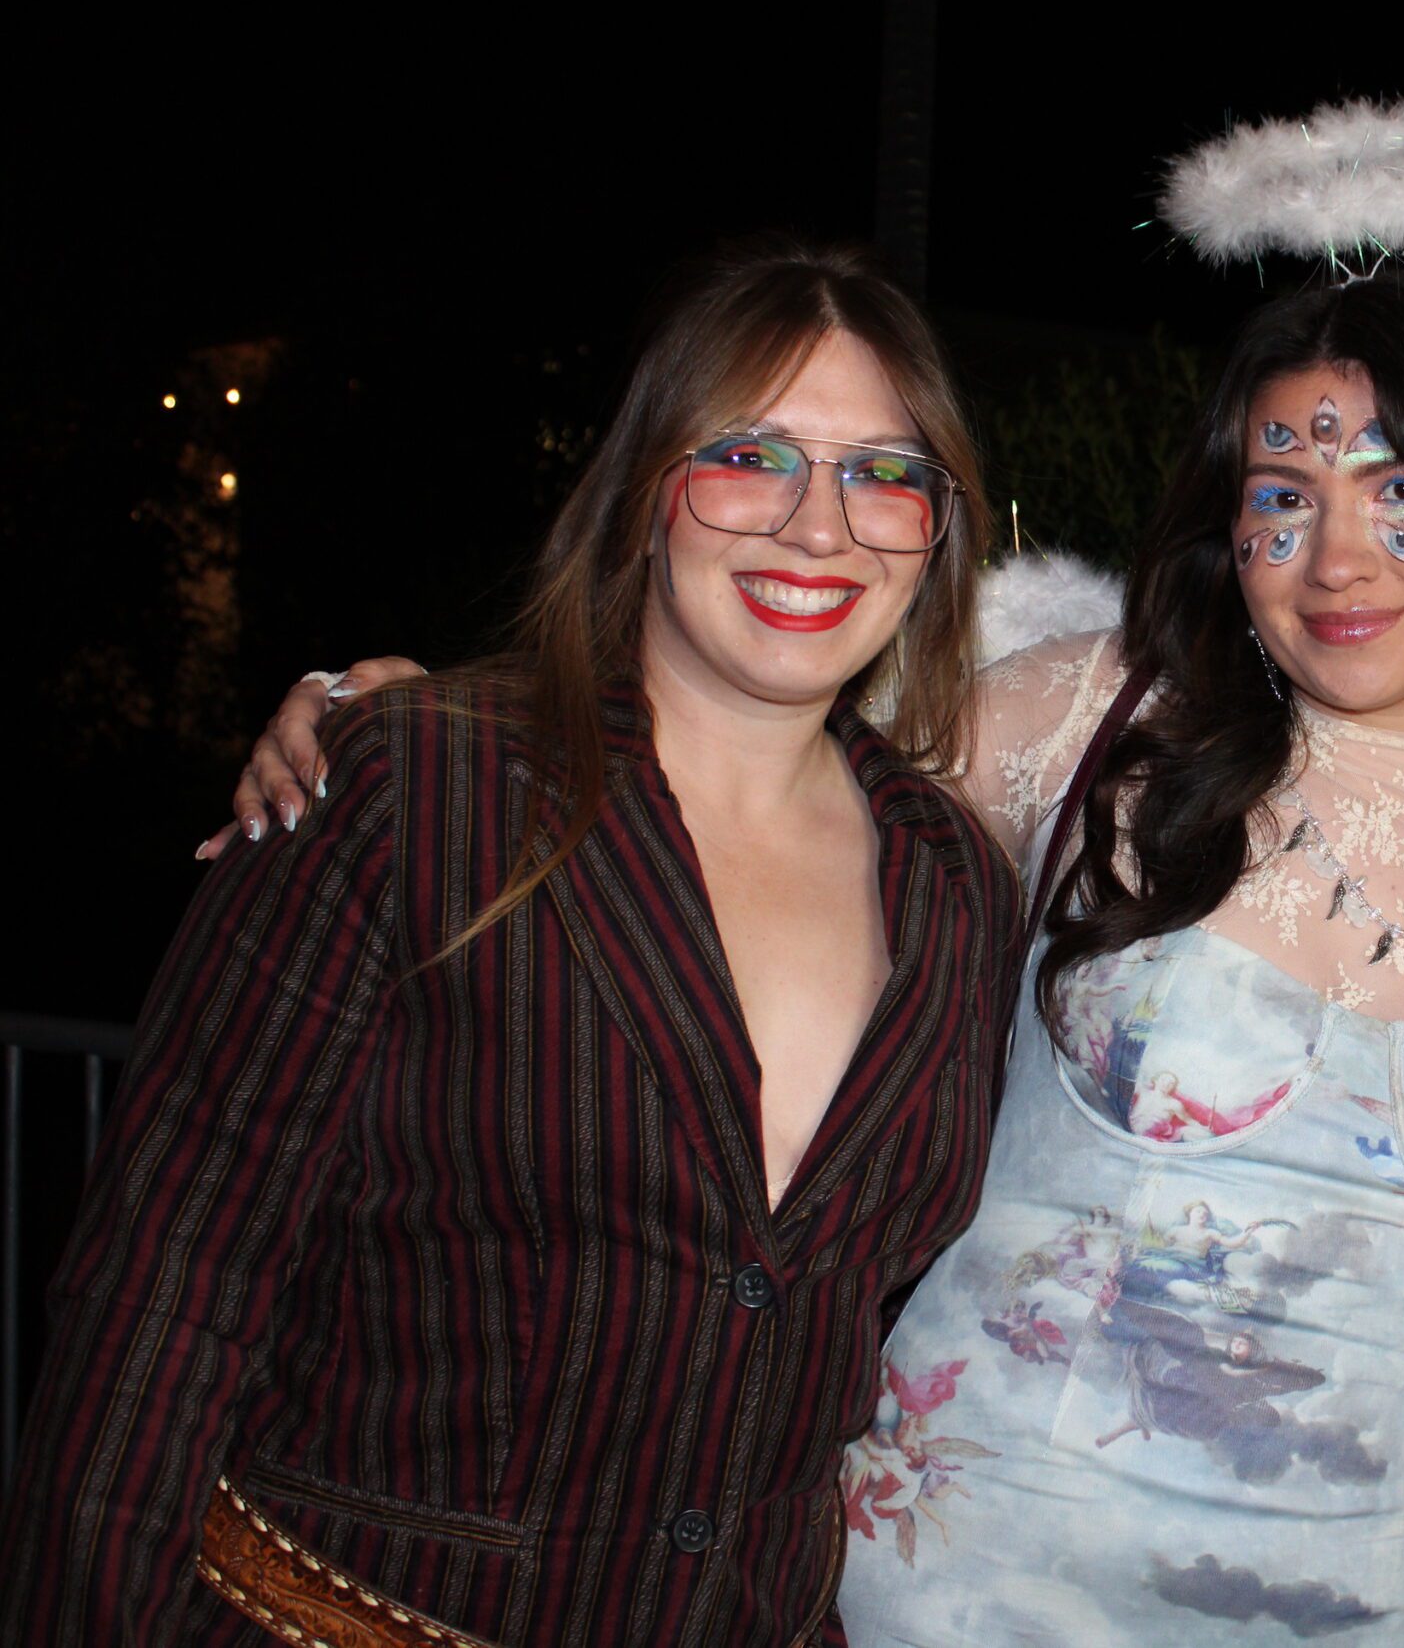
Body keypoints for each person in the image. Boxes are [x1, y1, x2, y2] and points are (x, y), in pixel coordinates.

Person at [218, 271, 1404, 1645]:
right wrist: (439, 727)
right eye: (1283, 496)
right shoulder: (1096, 725)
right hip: (955, 1590)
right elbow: (731, 792)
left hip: (1368, 1603)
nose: (1339, 557)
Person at [0, 239, 1019, 1647]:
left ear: (940, 531)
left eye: (885, 474)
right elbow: (160, 1299)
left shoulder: (958, 887)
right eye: (749, 456)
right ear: (645, 491)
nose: (819, 526)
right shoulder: (411, 788)